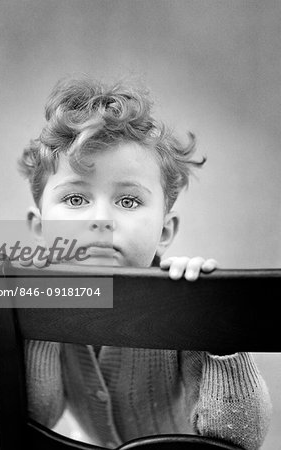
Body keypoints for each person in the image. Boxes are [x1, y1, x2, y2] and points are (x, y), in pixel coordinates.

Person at [18, 76, 271, 450]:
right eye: (75, 200)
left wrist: (214, 320)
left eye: (128, 201)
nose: (101, 219)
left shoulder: (184, 302)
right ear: (39, 228)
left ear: (164, 232)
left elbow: (242, 438)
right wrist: (37, 321)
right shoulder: (45, 298)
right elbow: (39, 416)